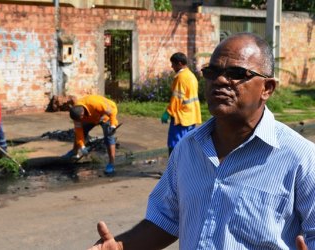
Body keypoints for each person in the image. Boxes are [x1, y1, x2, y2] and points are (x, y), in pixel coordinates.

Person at [88, 33, 314, 249]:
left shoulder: (301, 158)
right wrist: (118, 246)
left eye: (236, 73)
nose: (220, 80)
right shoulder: (188, 148)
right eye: (212, 72)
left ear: (267, 88)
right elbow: (167, 219)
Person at [62, 95, 119, 175]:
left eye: (80, 119)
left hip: (105, 115)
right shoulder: (76, 114)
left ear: (82, 114)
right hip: (91, 118)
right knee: (81, 131)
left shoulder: (95, 104)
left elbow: (112, 111)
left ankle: (111, 164)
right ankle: (75, 152)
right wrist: (82, 147)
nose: (79, 121)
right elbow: (79, 132)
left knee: (109, 136)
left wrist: (113, 125)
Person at [161, 52, 202, 155]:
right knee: (187, 145)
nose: (172, 66)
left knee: (175, 145)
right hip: (191, 116)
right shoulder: (191, 76)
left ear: (179, 63)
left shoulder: (181, 78)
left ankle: (174, 170)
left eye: (173, 64)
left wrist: (168, 113)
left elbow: (177, 99)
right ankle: (186, 169)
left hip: (181, 117)